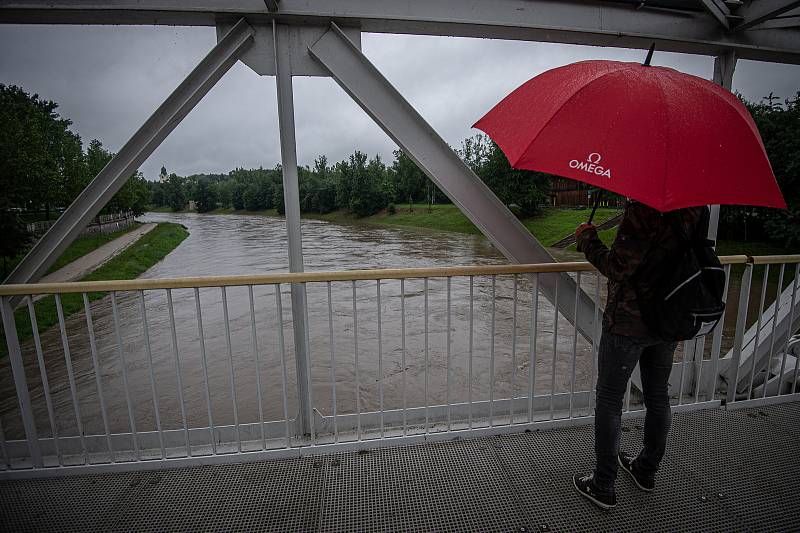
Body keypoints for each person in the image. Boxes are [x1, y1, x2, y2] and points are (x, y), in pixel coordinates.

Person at [571, 199, 708, 510]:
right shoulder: (696, 209)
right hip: (669, 318)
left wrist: (588, 239)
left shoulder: (642, 209)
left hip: (629, 322)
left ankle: (603, 484)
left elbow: (618, 267)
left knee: (609, 400)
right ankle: (646, 470)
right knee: (658, 396)